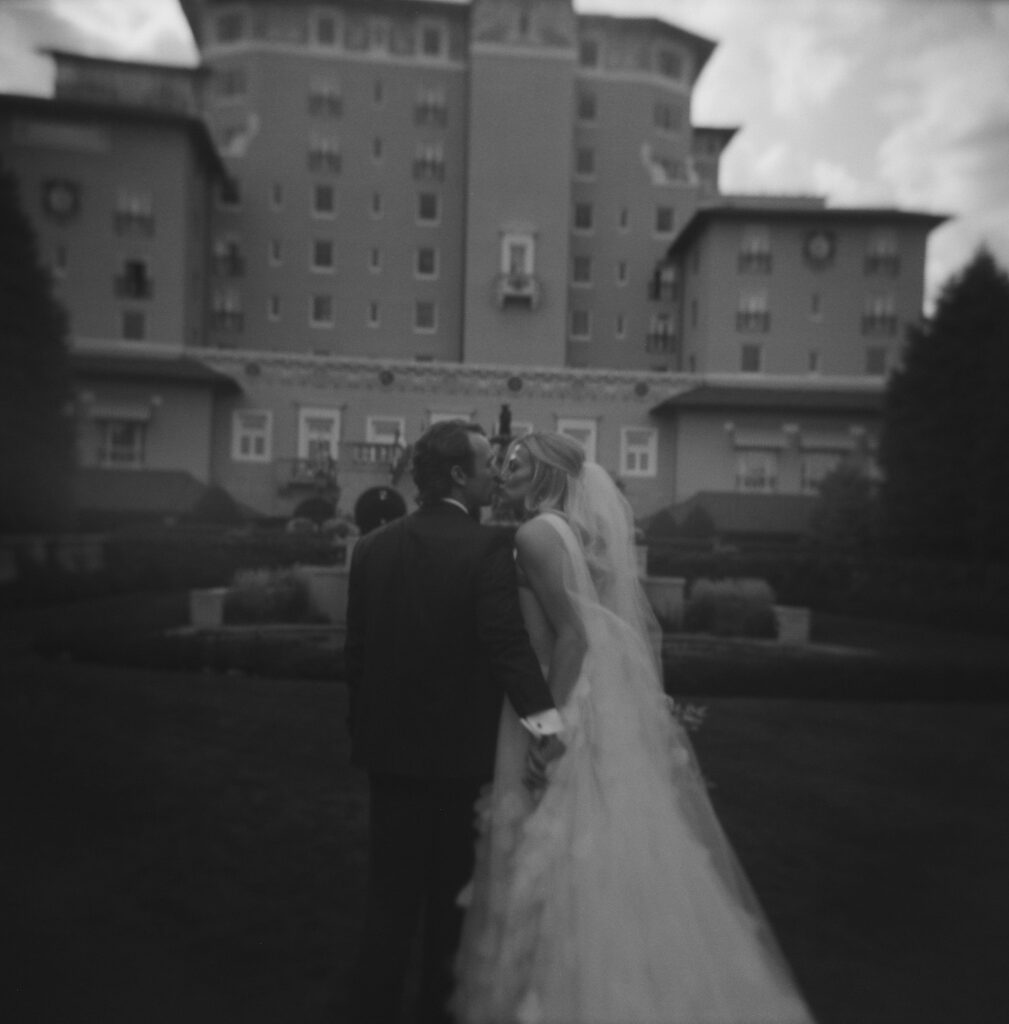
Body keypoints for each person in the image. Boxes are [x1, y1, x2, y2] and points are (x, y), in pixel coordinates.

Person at [451, 432, 817, 1024]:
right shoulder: (578, 533)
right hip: (588, 696)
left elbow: (574, 633)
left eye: (515, 464)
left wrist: (551, 726)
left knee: (556, 843)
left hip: (556, 694)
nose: (502, 471)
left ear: (544, 473)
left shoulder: (536, 534)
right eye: (501, 463)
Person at [345, 420, 565, 1024]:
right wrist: (550, 726)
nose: (496, 473)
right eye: (488, 462)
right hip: (459, 762)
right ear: (460, 476)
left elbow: (356, 659)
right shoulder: (489, 547)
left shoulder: (371, 547)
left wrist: (363, 735)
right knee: (448, 910)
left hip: (387, 757)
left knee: (386, 906)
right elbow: (506, 647)